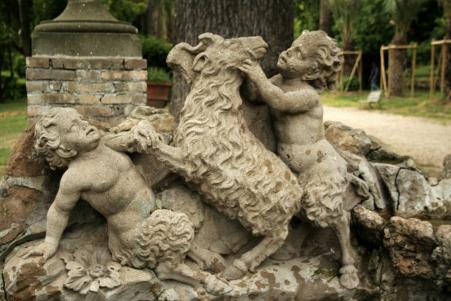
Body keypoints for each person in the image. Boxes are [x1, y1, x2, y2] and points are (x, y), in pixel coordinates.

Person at [23, 107, 231, 295]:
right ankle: (184, 273)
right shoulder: (76, 176)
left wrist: (143, 128)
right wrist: (50, 241)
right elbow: (60, 210)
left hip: (153, 212)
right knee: (173, 226)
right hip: (135, 235)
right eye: (74, 127)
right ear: (65, 148)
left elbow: (132, 138)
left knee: (181, 202)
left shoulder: (105, 144)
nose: (85, 125)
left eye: (82, 119)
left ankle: (190, 252)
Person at [239, 30, 359, 289]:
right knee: (289, 205)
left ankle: (348, 258)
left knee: (329, 212)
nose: (287, 54)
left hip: (318, 166)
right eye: (291, 48)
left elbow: (278, 101)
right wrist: (246, 75)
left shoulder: (308, 95)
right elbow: (255, 94)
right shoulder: (278, 80)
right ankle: (287, 242)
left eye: (298, 55)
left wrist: (256, 73)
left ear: (312, 72)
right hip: (288, 166)